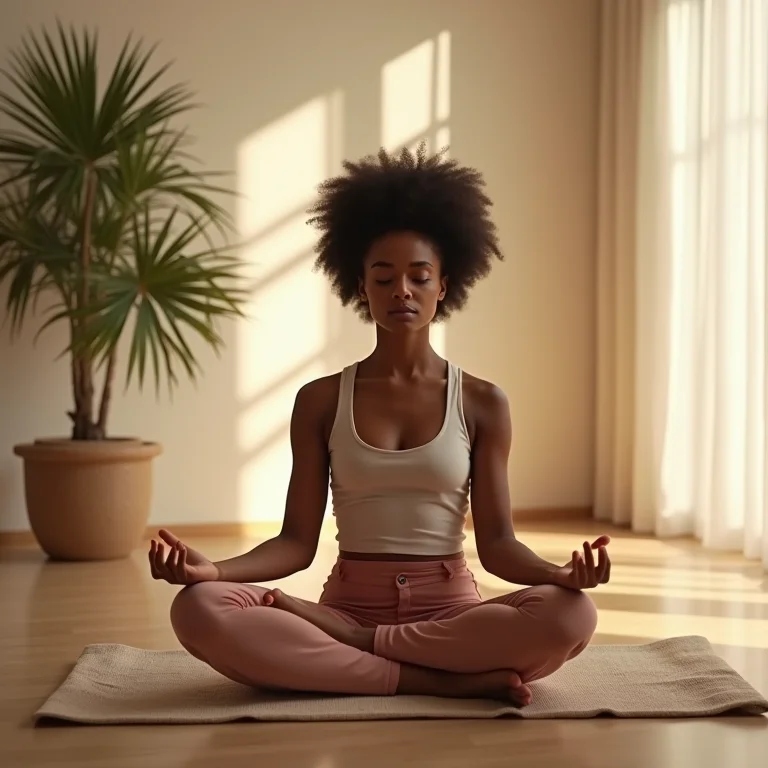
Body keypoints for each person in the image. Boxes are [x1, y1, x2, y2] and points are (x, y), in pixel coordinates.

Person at [149, 144, 610, 706]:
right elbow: (296, 543)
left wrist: (559, 575)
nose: (402, 291)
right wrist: (212, 570)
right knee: (198, 607)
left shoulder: (483, 402)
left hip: (451, 612)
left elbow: (498, 545)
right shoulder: (320, 400)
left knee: (570, 614)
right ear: (360, 286)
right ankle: (427, 678)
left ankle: (364, 649)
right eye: (383, 277)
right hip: (344, 604)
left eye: (419, 276)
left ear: (444, 285)